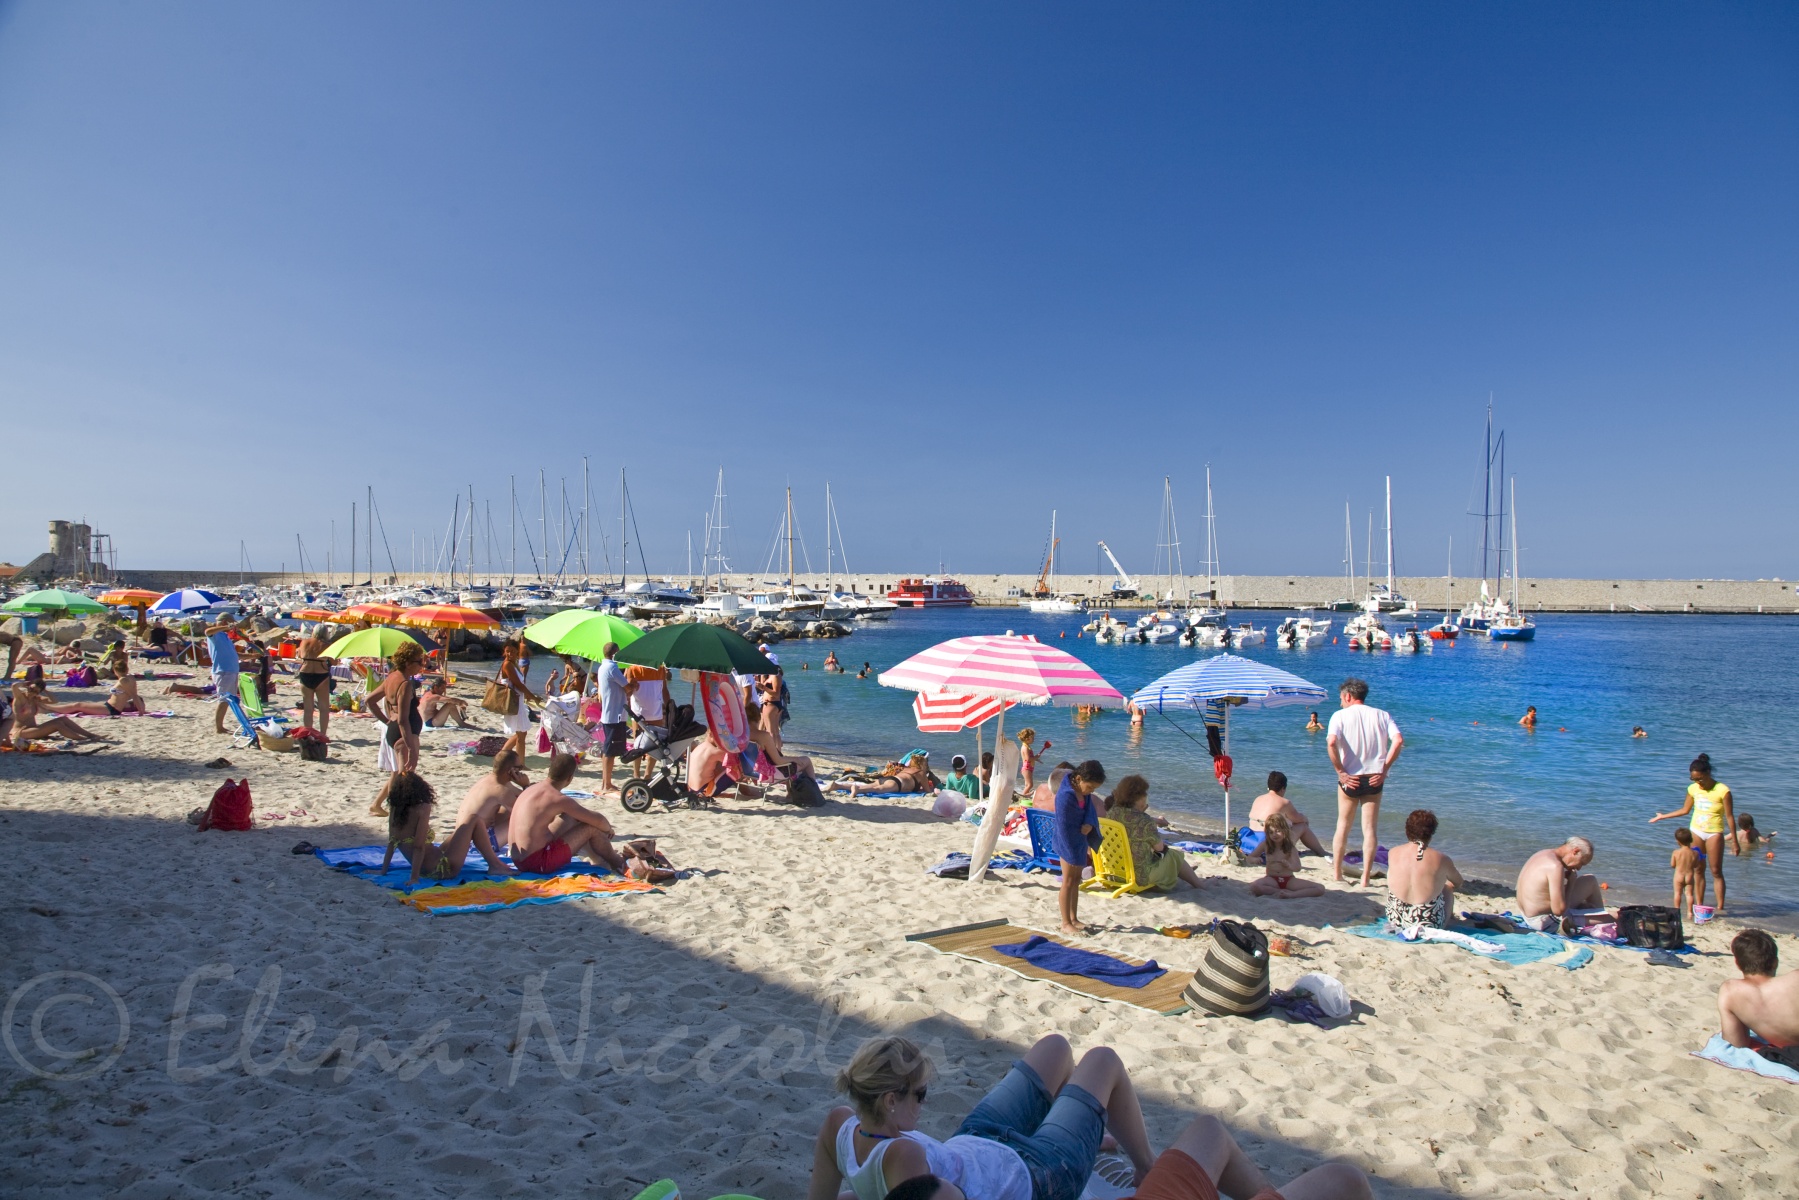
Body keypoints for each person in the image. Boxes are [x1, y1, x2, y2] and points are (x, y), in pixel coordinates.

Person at [806, 1032, 1156, 1200]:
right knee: (1104, 1060)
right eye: (920, 1094)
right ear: (890, 1101)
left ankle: (1081, 1136)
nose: (924, 1104)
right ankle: (1146, 1169)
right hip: (1035, 1177)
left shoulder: (840, 1125)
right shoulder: (905, 1156)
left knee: (1056, 1048)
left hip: (977, 1139)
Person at [1325, 678, 1403, 888]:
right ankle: (1366, 878)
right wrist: (1385, 770)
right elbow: (1398, 741)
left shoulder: (1339, 716)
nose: (1340, 703)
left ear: (1348, 696)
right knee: (1369, 829)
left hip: (1350, 777)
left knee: (1343, 825)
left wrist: (1340, 771)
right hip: (1374, 777)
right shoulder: (1382, 715)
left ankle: (1337, 875)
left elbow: (1331, 742)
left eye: (1341, 699)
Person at [508, 752, 632, 876]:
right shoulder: (558, 799)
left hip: (517, 858)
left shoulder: (531, 789)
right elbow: (599, 821)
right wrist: (609, 829)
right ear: (570, 778)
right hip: (537, 863)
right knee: (590, 827)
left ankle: (598, 859)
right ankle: (618, 863)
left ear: (550, 771)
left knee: (572, 816)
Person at [1650, 753, 1738, 915]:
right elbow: (1685, 810)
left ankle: (1720, 907)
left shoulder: (1723, 790)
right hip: (1696, 831)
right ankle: (1699, 906)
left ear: (1708, 773)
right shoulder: (1692, 789)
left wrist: (1736, 840)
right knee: (1698, 869)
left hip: (1714, 833)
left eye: (1700, 779)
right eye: (1694, 780)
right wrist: (1663, 816)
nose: (1698, 783)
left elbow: (1730, 816)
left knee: (1716, 870)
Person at [379, 771, 492, 888]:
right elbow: (419, 846)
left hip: (427, 867)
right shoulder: (422, 808)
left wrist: (383, 871)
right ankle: (495, 865)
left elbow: (392, 843)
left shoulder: (395, 810)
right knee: (474, 818)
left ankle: (494, 863)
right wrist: (414, 878)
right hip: (443, 869)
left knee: (461, 829)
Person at [1105, 775, 1203, 891]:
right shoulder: (1144, 821)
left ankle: (1183, 873)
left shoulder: (1112, 813)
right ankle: (1200, 885)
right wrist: (1142, 813)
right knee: (1173, 855)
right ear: (1139, 797)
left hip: (1113, 873)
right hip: (1138, 876)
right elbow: (1160, 848)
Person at [1717, 930, 1799, 1061]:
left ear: (1738, 964)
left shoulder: (1730, 992)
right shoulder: (1796, 978)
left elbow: (1736, 1043)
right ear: (1775, 963)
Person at [451, 748, 528, 874]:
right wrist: (526, 786)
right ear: (510, 770)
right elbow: (529, 811)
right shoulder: (500, 790)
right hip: (475, 844)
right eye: (519, 767)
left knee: (510, 809)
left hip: (463, 837)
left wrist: (526, 788)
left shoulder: (493, 780)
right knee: (519, 819)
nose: (521, 771)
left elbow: (523, 797)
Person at [1382, 809, 1464, 928]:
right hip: (1427, 923)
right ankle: (1447, 920)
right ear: (1431, 833)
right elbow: (1459, 882)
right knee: (1448, 888)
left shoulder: (1393, 852)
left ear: (1407, 831)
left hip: (1395, 919)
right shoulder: (1441, 858)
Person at [1055, 760, 1106, 934]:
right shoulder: (1066, 795)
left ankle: (1074, 918)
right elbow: (1063, 824)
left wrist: (1089, 824)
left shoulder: (1083, 793)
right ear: (1078, 778)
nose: (1091, 791)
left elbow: (1089, 811)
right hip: (1067, 841)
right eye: (1090, 787)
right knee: (1067, 882)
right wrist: (1070, 848)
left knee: (1076, 881)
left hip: (1080, 839)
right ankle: (1065, 922)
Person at [1515, 837, 1602, 933]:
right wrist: (1571, 883)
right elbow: (1559, 911)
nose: (1579, 868)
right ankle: (1601, 918)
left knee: (1589, 880)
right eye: (1581, 862)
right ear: (1575, 851)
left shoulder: (1543, 854)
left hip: (1527, 915)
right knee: (1610, 918)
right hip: (1543, 922)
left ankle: (1596, 913)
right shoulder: (1555, 866)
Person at [366, 641, 426, 779]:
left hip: (395, 731)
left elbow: (370, 701)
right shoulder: (404, 684)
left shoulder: (392, 677)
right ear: (407, 663)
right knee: (405, 776)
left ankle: (378, 802)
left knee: (397, 775)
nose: (422, 665)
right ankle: (399, 800)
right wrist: (411, 747)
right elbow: (403, 719)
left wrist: (387, 722)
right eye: (419, 662)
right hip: (404, 734)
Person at [7, 673, 104, 745]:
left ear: (38, 693)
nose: (31, 692)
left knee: (63, 719)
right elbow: (14, 686)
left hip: (34, 729)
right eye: (30, 689)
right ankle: (81, 739)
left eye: (35, 691)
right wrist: (25, 684)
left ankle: (90, 735)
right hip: (21, 732)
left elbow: (54, 700)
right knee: (58, 724)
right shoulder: (20, 698)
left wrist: (44, 690)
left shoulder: (36, 699)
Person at [1247, 814, 1326, 899]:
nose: (1274, 834)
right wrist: (1255, 859)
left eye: (1278, 831)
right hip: (1272, 879)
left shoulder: (1290, 847)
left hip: (1288, 880)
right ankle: (1279, 892)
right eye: (1271, 832)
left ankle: (1292, 894)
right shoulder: (1265, 845)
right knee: (1254, 886)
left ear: (1285, 830)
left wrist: (1289, 865)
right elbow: (1249, 858)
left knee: (1320, 888)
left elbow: (1297, 868)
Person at [1245, 772, 1325, 855]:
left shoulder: (1258, 799)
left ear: (1268, 786)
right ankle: (1321, 852)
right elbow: (1298, 819)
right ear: (1283, 788)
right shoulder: (1284, 802)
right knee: (1302, 826)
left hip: (1253, 842)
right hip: (1269, 844)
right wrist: (1305, 819)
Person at [593, 641, 629, 795]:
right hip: (615, 714)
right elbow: (627, 688)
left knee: (608, 749)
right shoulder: (612, 668)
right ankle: (606, 783)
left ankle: (605, 782)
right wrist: (634, 685)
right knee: (610, 750)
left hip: (610, 713)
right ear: (614, 653)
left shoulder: (603, 667)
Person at [497, 639, 539, 760]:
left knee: (521, 732)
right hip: (513, 701)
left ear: (517, 652)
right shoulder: (507, 664)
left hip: (518, 700)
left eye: (513, 651)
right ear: (504, 652)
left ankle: (502, 755)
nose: (510, 654)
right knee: (521, 733)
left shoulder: (514, 664)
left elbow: (519, 684)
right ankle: (520, 763)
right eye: (507, 651)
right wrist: (533, 697)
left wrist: (528, 696)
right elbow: (518, 684)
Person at [203, 616, 243, 734]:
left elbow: (234, 655)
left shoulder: (225, 637)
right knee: (223, 699)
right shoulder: (216, 634)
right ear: (225, 622)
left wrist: (254, 656)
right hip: (223, 671)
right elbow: (207, 632)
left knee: (230, 699)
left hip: (231, 670)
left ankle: (221, 726)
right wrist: (226, 627)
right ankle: (219, 727)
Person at [830, 752, 931, 797]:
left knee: (867, 785)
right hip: (897, 784)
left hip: (890, 778)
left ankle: (837, 785)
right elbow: (927, 791)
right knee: (875, 790)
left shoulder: (906, 768)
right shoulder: (921, 773)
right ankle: (857, 790)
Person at [295, 626, 334, 737]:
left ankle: (308, 733)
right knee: (324, 709)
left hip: (305, 674)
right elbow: (334, 662)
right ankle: (322, 734)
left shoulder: (304, 642)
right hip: (321, 675)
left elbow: (299, 655)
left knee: (308, 709)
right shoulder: (327, 645)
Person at [1671, 827, 1706, 920]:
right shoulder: (1695, 853)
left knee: (1677, 894)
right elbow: (1696, 865)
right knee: (1689, 894)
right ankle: (1690, 912)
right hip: (1689, 876)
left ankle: (1677, 911)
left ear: (1678, 841)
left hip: (1678, 876)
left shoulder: (1676, 852)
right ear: (1691, 839)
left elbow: (1672, 865)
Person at [1016, 728, 1040, 795]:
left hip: (1029, 768)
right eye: (1032, 737)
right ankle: (1023, 795)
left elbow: (1030, 757)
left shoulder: (1027, 746)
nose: (1034, 739)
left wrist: (1036, 759)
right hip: (1026, 768)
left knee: (1027, 785)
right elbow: (1028, 759)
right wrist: (1036, 757)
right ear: (1027, 739)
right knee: (1030, 785)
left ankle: (1026, 795)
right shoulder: (1025, 747)